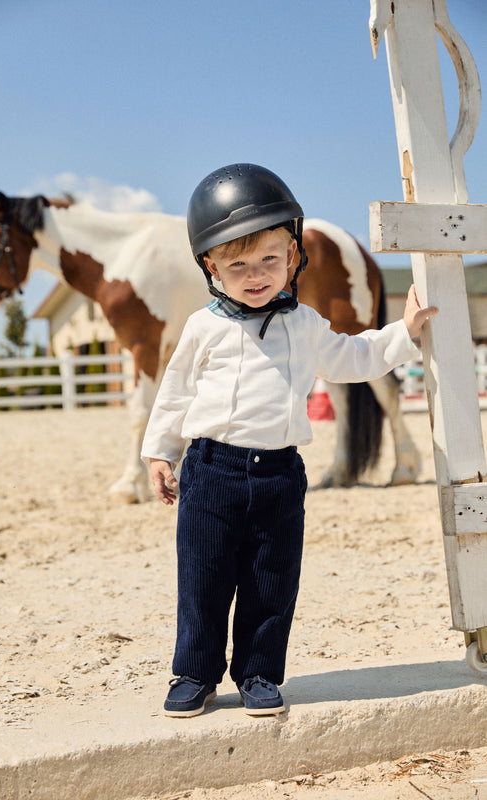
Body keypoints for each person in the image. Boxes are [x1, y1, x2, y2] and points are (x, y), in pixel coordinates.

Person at [141, 163, 438, 718]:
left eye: (269, 260)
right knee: (204, 578)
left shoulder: (303, 324)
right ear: (211, 267)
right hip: (211, 471)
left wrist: (405, 332)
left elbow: (355, 358)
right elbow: (175, 391)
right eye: (238, 264)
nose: (255, 275)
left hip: (279, 473)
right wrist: (160, 451)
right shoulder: (204, 327)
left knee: (270, 580)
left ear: (293, 257)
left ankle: (257, 673)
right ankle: (195, 673)